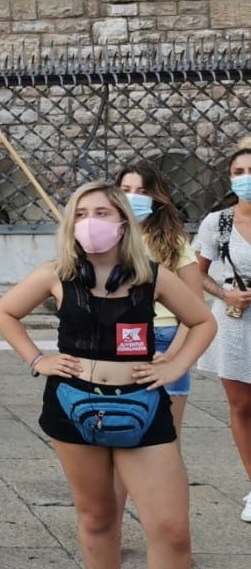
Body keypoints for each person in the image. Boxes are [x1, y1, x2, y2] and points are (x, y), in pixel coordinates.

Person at [0, 181, 235, 569]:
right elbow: (5, 312)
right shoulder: (57, 275)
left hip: (143, 408)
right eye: (81, 212)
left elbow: (201, 321)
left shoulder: (152, 275)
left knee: (170, 525)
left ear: (123, 221)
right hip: (71, 406)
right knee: (98, 515)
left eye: (102, 211)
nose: (91, 221)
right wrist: (37, 358)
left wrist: (173, 366)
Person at [117, 162, 201, 450]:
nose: (133, 197)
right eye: (125, 190)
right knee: (120, 430)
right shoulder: (108, 239)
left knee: (166, 438)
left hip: (165, 337)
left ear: (155, 197)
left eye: (141, 191)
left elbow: (196, 307)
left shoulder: (172, 241)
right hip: (118, 339)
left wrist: (174, 357)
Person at [192, 139, 251, 522]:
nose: (247, 178)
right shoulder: (220, 221)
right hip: (236, 323)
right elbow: (196, 274)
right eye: (239, 173)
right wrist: (224, 291)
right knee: (243, 406)